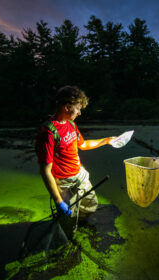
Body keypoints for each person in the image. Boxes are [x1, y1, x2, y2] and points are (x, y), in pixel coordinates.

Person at [35, 85, 115, 237]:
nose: (80, 113)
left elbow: (83, 145)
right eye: (78, 108)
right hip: (64, 184)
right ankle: (68, 237)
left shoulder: (71, 124)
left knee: (91, 205)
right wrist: (58, 201)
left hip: (80, 175)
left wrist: (107, 140)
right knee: (69, 223)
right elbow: (45, 171)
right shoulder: (48, 133)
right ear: (67, 107)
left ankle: (82, 222)